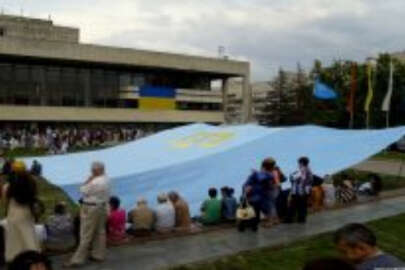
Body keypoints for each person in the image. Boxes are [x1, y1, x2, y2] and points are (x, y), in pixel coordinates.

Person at [66, 161, 110, 267]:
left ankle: (77, 260)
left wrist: (88, 180)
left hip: (91, 207)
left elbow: (82, 190)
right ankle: (98, 255)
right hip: (102, 206)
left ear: (96, 170)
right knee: (100, 232)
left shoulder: (95, 182)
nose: (91, 171)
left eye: (93, 170)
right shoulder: (107, 179)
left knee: (86, 234)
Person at [2, 161, 41, 263]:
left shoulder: (8, 186)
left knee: (14, 239)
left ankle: (16, 260)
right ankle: (34, 257)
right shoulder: (31, 182)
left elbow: (5, 200)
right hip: (27, 212)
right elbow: (34, 196)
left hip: (13, 213)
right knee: (29, 236)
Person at [334, 223, 405, 270]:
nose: (342, 256)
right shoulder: (392, 261)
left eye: (344, 252)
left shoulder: (367, 267)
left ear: (361, 248)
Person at [242, 158, 275, 230]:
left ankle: (252, 225)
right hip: (256, 197)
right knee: (255, 213)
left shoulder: (264, 175)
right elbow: (247, 184)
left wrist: (257, 173)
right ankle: (251, 225)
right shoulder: (265, 175)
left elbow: (262, 180)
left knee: (254, 213)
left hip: (257, 198)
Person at [286, 157, 313, 224]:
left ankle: (289, 219)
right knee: (302, 206)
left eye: (299, 162)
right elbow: (310, 181)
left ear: (301, 163)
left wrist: (291, 176)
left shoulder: (302, 170)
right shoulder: (309, 170)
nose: (298, 164)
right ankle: (301, 219)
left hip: (299, 191)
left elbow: (293, 178)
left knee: (293, 206)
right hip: (305, 191)